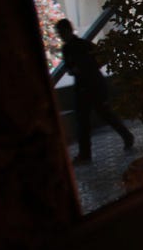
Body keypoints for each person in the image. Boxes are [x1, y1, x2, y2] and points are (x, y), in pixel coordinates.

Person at [55, 19, 134, 164]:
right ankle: (126, 136)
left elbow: (70, 68)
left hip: (84, 86)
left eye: (61, 33)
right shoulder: (83, 45)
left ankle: (85, 154)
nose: (60, 36)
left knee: (84, 120)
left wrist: (77, 70)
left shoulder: (69, 48)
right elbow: (102, 57)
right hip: (95, 84)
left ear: (66, 31)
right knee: (103, 114)